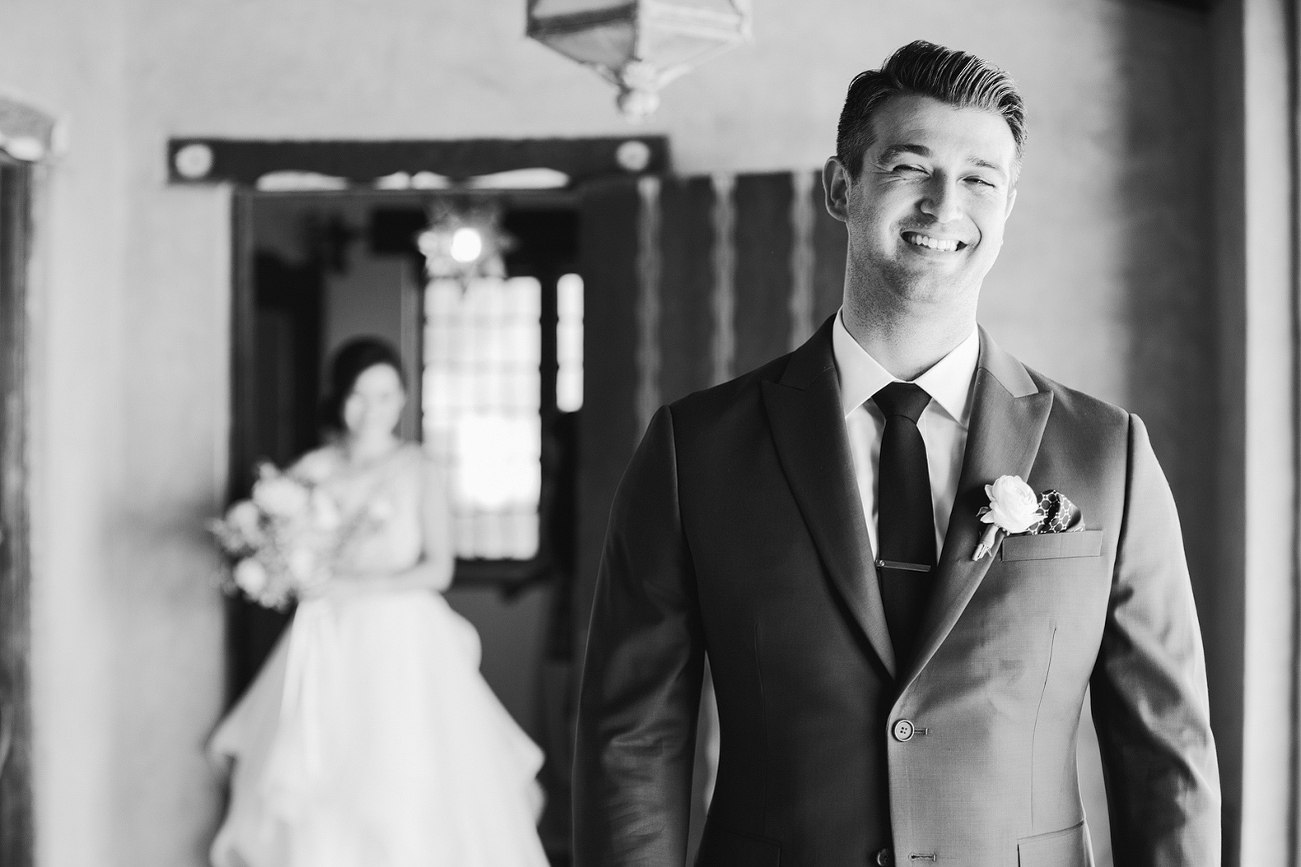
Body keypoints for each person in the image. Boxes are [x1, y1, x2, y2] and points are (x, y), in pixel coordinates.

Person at [574, 41, 1220, 867]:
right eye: (910, 167)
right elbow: (630, 739)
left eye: (980, 179)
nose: (943, 205)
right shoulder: (693, 448)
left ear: (1008, 202)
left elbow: (1166, 754)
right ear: (841, 188)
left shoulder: (1107, 453)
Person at [209, 337, 549, 867]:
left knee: (402, 775)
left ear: (402, 398)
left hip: (403, 641)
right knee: (321, 776)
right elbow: (289, 552)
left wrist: (354, 588)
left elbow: (440, 569)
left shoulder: (419, 470)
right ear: (339, 398)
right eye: (360, 395)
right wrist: (279, 567)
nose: (373, 409)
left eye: (386, 395)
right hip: (327, 638)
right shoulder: (310, 471)